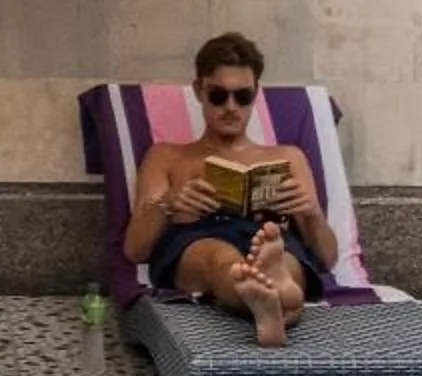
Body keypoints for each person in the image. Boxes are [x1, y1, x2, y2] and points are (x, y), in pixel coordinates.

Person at [123, 30, 338, 347]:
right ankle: (278, 295)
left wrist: (311, 214)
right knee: (221, 258)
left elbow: (328, 258)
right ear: (199, 90)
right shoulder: (167, 156)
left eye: (243, 96)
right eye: (218, 95)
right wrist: (168, 204)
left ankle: (271, 293)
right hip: (198, 238)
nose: (231, 107)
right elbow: (134, 249)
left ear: (256, 93)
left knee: (283, 256)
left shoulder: (288, 157)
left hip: (268, 237)